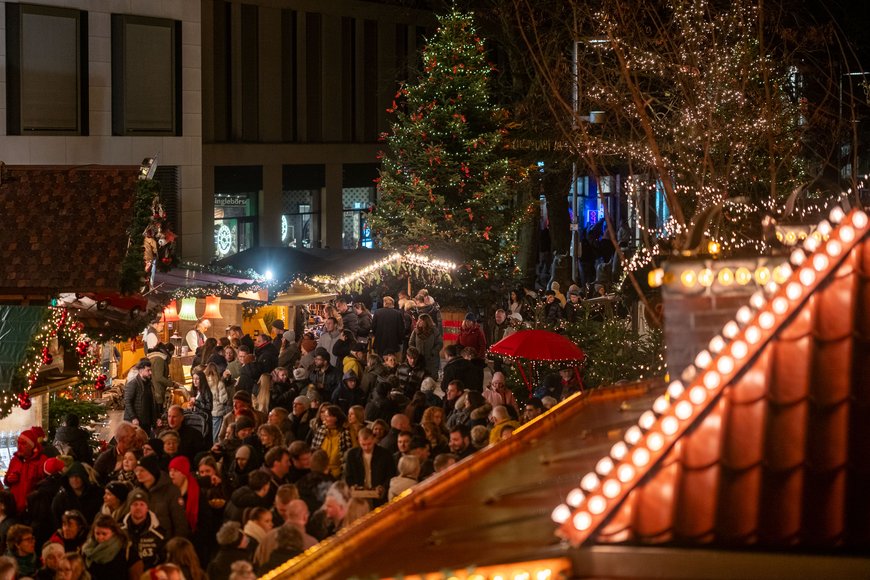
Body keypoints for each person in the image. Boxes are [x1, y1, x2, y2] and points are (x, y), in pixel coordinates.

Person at [133, 455, 189, 538]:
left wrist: (175, 545)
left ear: (152, 471)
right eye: (136, 471)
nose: (138, 473)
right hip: (142, 542)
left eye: (142, 470)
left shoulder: (171, 491)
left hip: (164, 541)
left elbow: (180, 522)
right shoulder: (136, 493)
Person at [344, 427, 396, 507]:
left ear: (374, 440)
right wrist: (353, 486)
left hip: (379, 497)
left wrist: (383, 487)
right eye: (363, 444)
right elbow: (348, 476)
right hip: (359, 496)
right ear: (358, 441)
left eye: (369, 444)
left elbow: (391, 475)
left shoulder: (385, 454)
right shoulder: (352, 455)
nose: (366, 448)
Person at [81, 515, 142, 580]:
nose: (100, 537)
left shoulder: (125, 549)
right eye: (97, 533)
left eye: (104, 534)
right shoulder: (87, 549)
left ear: (113, 533)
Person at [4, 429, 48, 515]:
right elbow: (7, 481)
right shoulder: (14, 460)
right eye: (18, 443)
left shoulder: (41, 460)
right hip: (14, 509)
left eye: (23, 444)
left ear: (32, 446)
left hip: (33, 510)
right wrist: (8, 479)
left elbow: (45, 486)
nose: (19, 446)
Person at [120, 489, 166, 571]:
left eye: (142, 504)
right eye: (135, 504)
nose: (138, 507)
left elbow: (163, 560)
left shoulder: (159, 534)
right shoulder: (120, 532)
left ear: (147, 507)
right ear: (129, 507)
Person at [52, 462, 104, 526]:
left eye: (77, 476)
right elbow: (56, 520)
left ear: (83, 477)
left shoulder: (97, 494)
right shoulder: (61, 499)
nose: (74, 479)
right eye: (71, 477)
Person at [309, 405, 352, 478]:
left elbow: (347, 455)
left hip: (339, 474)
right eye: (324, 415)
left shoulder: (345, 433)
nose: (324, 418)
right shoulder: (321, 431)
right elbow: (313, 450)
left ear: (336, 418)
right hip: (320, 473)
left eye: (327, 416)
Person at [123, 359, 157, 434]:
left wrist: (155, 419)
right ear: (141, 371)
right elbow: (127, 401)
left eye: (150, 370)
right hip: (135, 422)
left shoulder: (149, 384)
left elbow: (152, 402)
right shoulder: (133, 383)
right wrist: (133, 418)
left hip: (146, 422)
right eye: (148, 370)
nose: (150, 373)